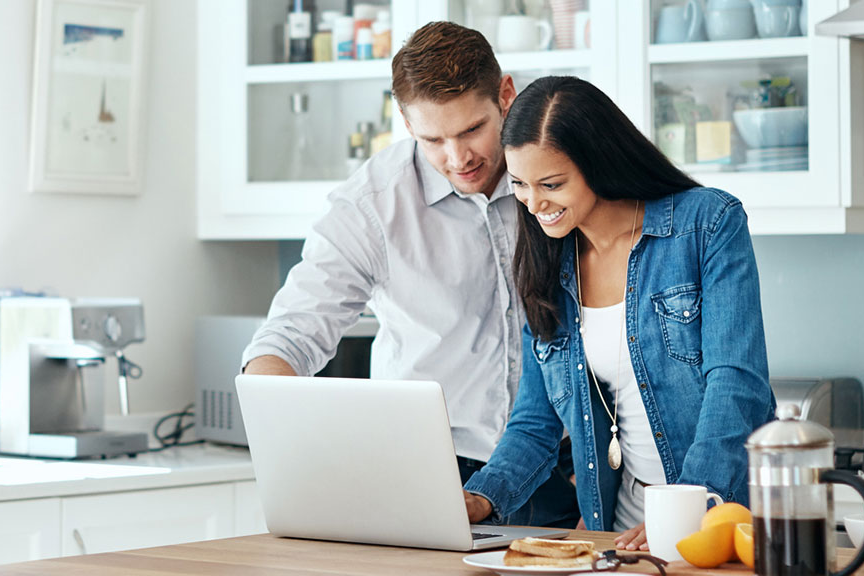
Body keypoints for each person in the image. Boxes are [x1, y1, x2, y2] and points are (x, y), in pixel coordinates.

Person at [240, 23, 579, 529]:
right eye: (433, 139)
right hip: (435, 473)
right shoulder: (372, 206)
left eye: (471, 130)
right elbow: (291, 335)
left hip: (567, 465)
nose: (457, 158)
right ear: (404, 120)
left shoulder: (557, 177)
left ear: (505, 95)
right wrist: (287, 444)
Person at [461, 76, 774, 548]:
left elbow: (736, 384)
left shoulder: (706, 225)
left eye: (552, 184)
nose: (533, 203)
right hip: (617, 537)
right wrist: (478, 498)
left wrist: (687, 510)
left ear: (599, 162)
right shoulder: (546, 266)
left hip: (717, 524)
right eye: (521, 184)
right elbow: (534, 422)